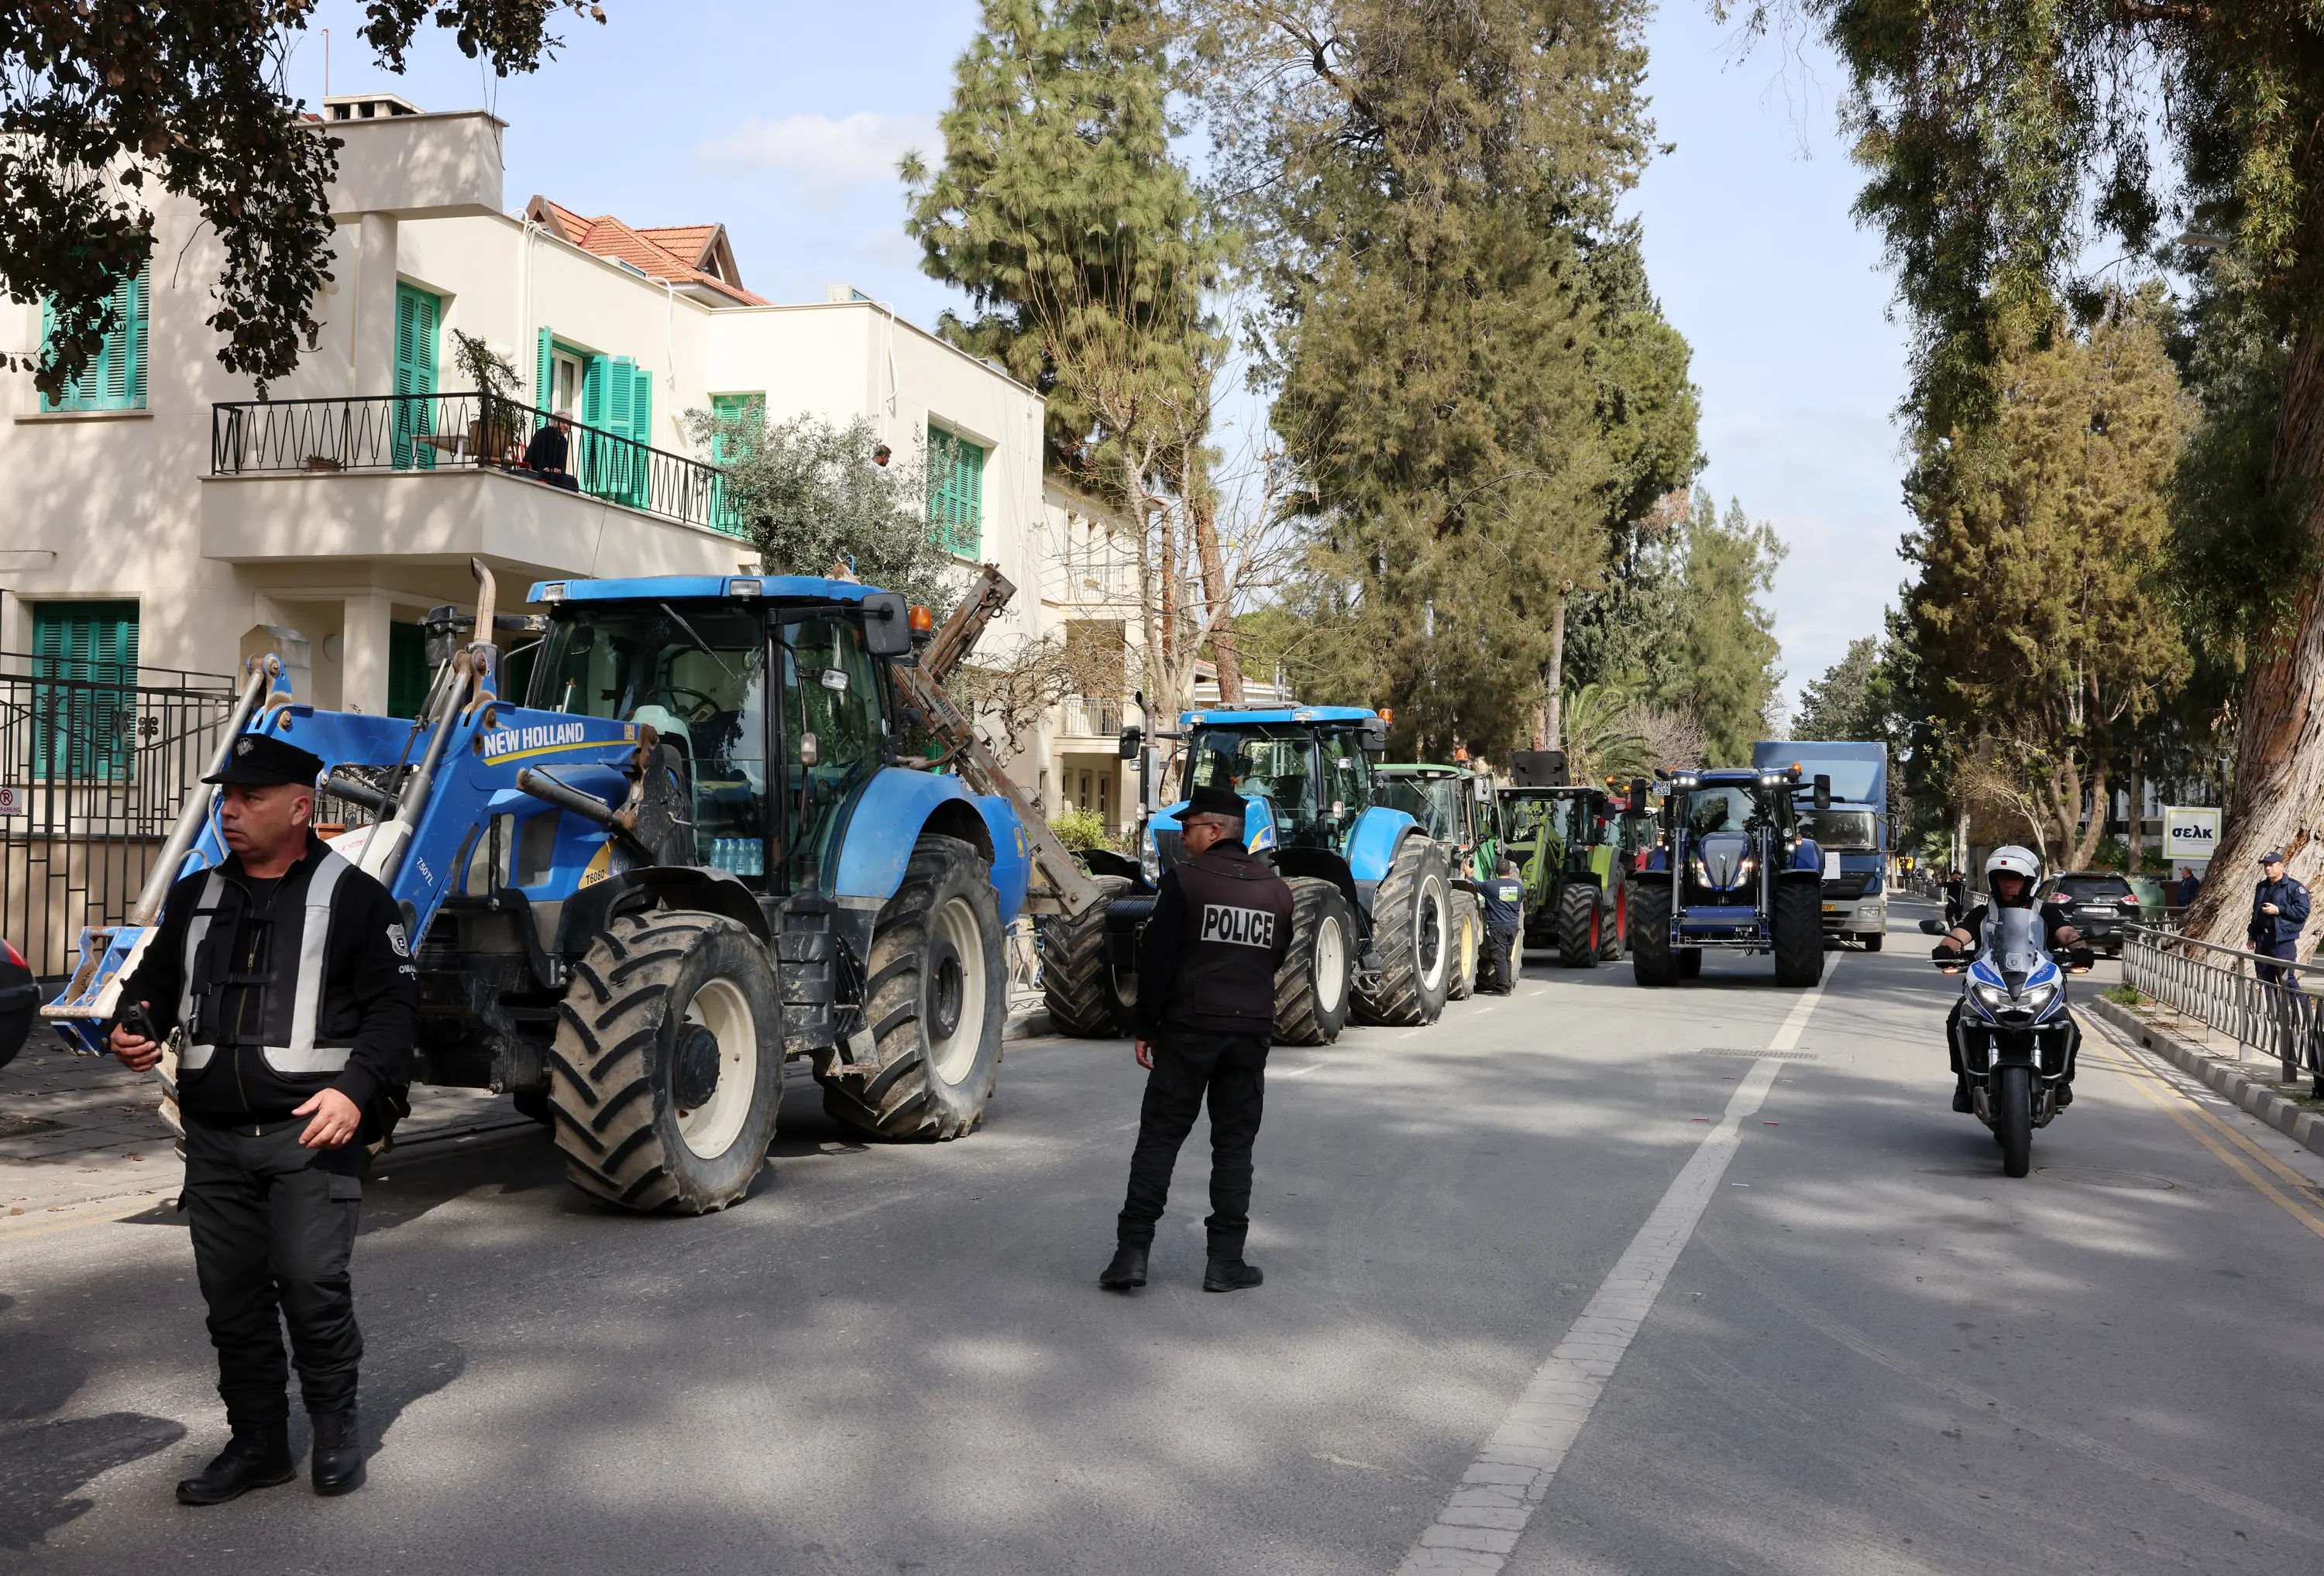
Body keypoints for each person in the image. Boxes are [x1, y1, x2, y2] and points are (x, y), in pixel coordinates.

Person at [108, 734, 418, 1506]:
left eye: (248, 797)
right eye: (226, 797)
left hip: (310, 1135)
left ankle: (337, 1429)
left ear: (300, 807)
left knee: (313, 1285)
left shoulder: (357, 898)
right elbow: (150, 981)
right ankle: (258, 1445)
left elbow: (395, 1010)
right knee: (234, 1302)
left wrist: (353, 1089)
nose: (230, 809)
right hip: (213, 1139)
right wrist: (132, 1023)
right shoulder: (195, 893)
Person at [1100, 784, 1293, 1295]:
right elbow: (1274, 958)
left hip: (1189, 1030)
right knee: (1234, 1147)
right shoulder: (1276, 889)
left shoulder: (1183, 882)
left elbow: (1157, 960)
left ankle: (1131, 1255)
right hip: (1249, 1034)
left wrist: (1146, 1027)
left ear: (1214, 829)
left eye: (1188, 828)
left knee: (1160, 1138)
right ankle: (1225, 1262)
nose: (1182, 838)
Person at [1931, 846, 2092, 1112]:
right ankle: (1963, 1081)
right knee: (1956, 1020)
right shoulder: (1983, 912)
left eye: (2015, 878)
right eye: (2002, 878)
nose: (2008, 884)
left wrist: (2080, 949)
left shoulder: (2046, 912)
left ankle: (2062, 1081)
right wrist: (1946, 948)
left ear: (2029, 882)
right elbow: (1960, 933)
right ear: (1993, 881)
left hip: (2035, 981)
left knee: (2067, 1026)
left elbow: (2067, 933)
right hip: (1992, 981)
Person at [2248, 851, 2311, 987]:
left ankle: (2299, 1007)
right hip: (2262, 939)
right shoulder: (2262, 886)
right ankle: (2272, 1008)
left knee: (2286, 978)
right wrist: (2252, 935)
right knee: (2264, 977)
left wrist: (2279, 910)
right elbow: (2256, 913)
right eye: (2265, 865)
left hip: (2282, 940)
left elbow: (2303, 911)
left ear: (2281, 866)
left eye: (2271, 865)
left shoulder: (2294, 887)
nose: (2268, 868)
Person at [1478, 857, 1525, 994]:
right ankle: (1508, 983)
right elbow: (1520, 899)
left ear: (1496, 871)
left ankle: (1503, 988)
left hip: (1498, 928)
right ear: (1510, 871)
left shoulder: (1491, 886)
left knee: (1499, 959)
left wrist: (1469, 873)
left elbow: (1475, 884)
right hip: (1512, 928)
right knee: (1506, 957)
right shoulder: (1518, 887)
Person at [522, 414, 580, 491]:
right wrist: (547, 468)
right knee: (570, 482)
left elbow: (562, 461)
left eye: (568, 424)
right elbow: (535, 453)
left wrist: (559, 470)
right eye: (563, 422)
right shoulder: (545, 433)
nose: (566, 426)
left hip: (552, 474)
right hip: (537, 470)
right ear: (555, 422)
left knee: (572, 481)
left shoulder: (563, 441)